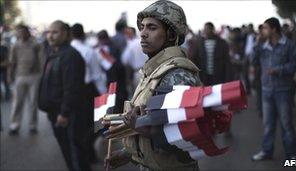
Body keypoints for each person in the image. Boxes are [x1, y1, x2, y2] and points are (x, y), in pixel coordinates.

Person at [105, 1, 202, 170]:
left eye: (151, 28)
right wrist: (128, 154)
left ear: (171, 35)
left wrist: (145, 129)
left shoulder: (177, 75)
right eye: (142, 27)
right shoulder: (155, 70)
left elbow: (187, 142)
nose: (142, 33)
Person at [38, 20, 91, 171]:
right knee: (67, 151)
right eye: (48, 32)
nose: (50, 36)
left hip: (67, 115)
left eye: (55, 32)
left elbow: (72, 88)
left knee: (74, 152)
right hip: (55, 111)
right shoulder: (54, 53)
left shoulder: (70, 55)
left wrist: (64, 112)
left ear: (65, 33)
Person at [251, 17, 296, 161]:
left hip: (283, 90)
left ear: (273, 29)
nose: (262, 30)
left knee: (286, 125)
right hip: (266, 90)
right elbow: (253, 61)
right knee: (268, 124)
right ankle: (267, 151)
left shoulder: (289, 45)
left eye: (265, 28)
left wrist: (278, 70)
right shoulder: (262, 46)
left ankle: (292, 157)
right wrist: (257, 44)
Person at [70, 23, 107, 163]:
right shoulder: (88, 51)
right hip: (87, 91)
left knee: (76, 126)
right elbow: (97, 76)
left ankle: (80, 156)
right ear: (83, 34)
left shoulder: (66, 51)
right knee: (90, 125)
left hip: (71, 92)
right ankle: (89, 155)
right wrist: (104, 96)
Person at [8, 24, 42, 135]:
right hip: (20, 76)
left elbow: (41, 58)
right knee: (17, 102)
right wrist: (10, 76)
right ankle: (15, 125)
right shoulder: (15, 46)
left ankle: (33, 125)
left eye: (23, 31)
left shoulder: (35, 45)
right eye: (19, 32)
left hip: (34, 76)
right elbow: (12, 62)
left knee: (32, 103)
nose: (21, 34)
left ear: (28, 32)